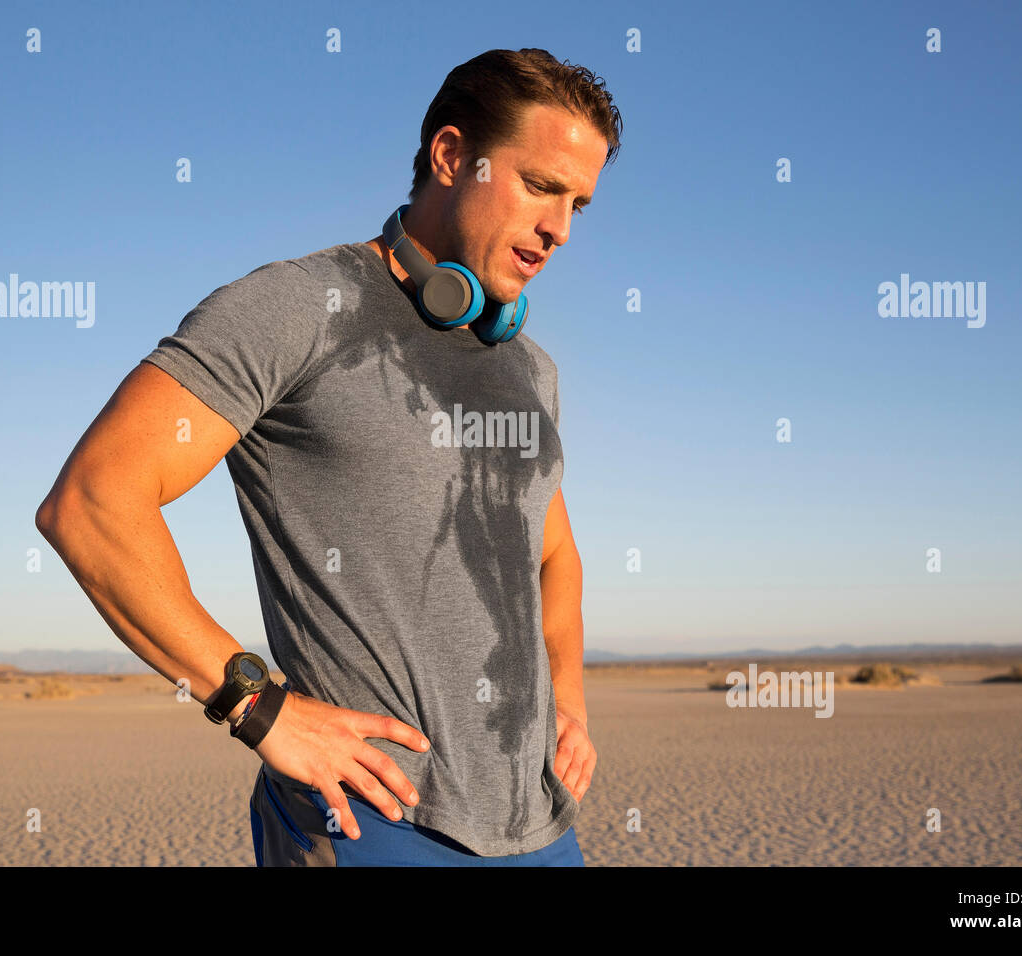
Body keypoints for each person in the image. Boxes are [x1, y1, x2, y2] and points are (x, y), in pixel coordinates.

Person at [34, 47, 622, 866]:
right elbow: (93, 502)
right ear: (451, 156)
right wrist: (259, 707)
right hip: (377, 824)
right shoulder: (298, 309)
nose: (559, 227)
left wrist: (572, 701)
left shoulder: (531, 370)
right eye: (540, 185)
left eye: (580, 205)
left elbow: (554, 554)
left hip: (544, 828)